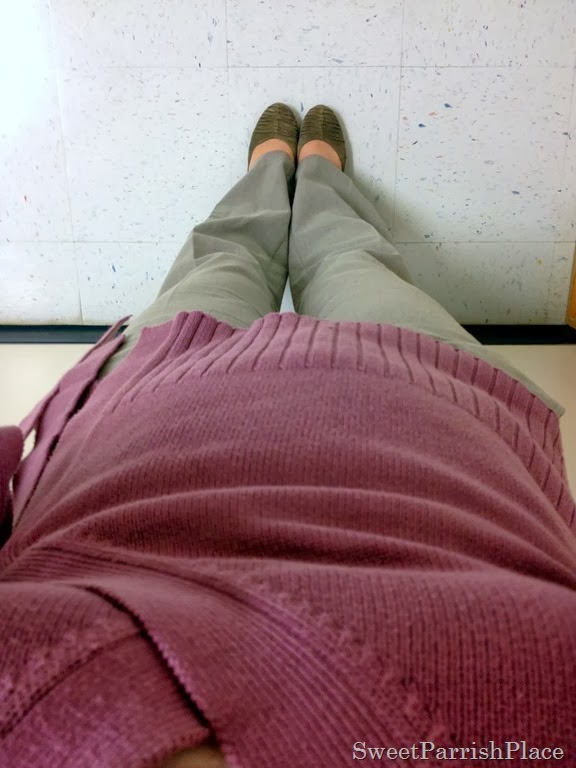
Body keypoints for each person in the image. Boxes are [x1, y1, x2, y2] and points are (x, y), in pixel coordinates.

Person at [0, 103, 575, 768]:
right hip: (430, 398)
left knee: (224, 255)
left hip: (159, 386)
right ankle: (319, 179)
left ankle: (271, 171)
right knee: (350, 258)